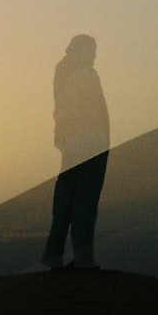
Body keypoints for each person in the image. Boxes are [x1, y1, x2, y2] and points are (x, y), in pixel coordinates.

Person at [42, 34, 110, 271]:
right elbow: (96, 111)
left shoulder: (62, 74)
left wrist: (61, 138)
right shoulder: (86, 75)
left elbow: (61, 112)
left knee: (65, 201)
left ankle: (54, 256)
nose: (93, 55)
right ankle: (84, 261)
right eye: (91, 50)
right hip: (92, 143)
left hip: (71, 144)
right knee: (85, 203)